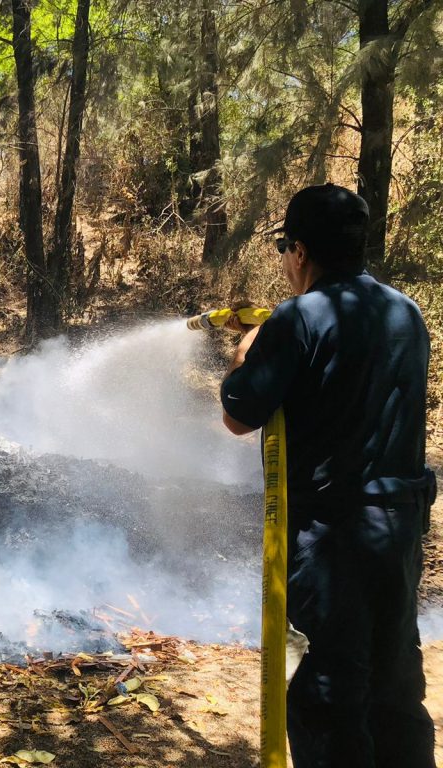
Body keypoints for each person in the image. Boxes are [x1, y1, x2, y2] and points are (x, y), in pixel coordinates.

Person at [219, 183, 437, 768]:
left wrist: (249, 346)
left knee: (328, 696)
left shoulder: (297, 318)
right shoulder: (406, 312)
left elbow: (239, 414)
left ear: (299, 251)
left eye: (284, 249)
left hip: (331, 538)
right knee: (394, 687)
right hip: (399, 531)